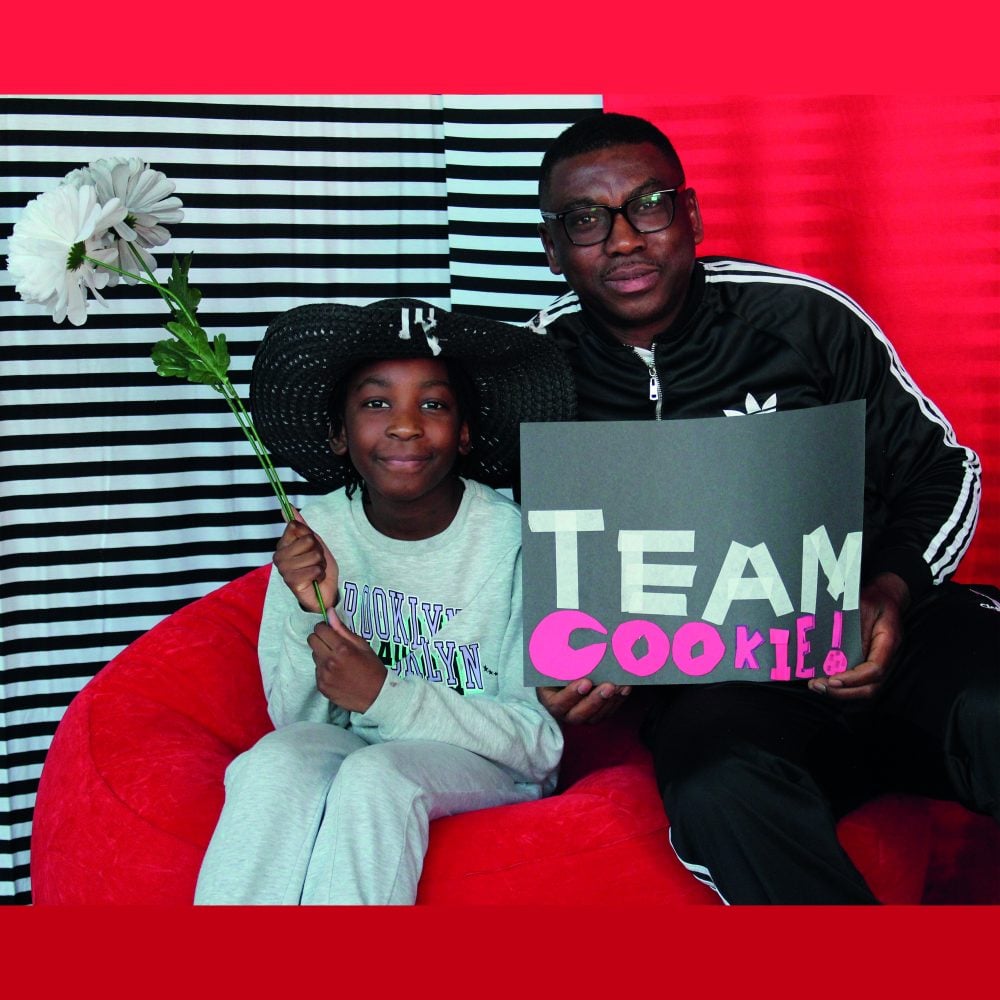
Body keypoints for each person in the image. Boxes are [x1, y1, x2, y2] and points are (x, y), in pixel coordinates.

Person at [527, 111, 999, 904]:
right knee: (718, 789)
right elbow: (502, 549)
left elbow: (942, 472)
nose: (623, 239)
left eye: (648, 205)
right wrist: (557, 662)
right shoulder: (528, 373)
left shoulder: (804, 318)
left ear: (692, 215)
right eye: (585, 220)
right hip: (724, 688)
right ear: (552, 248)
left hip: (887, 629)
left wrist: (888, 590)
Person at [194, 298, 575, 905]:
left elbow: (538, 744)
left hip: (485, 762)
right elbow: (302, 725)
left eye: (433, 404)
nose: (404, 424)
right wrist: (305, 607)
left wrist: (383, 693)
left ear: (467, 431)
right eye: (376, 404)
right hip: (356, 742)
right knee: (273, 762)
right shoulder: (316, 533)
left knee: (378, 778)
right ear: (339, 435)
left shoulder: (515, 539)